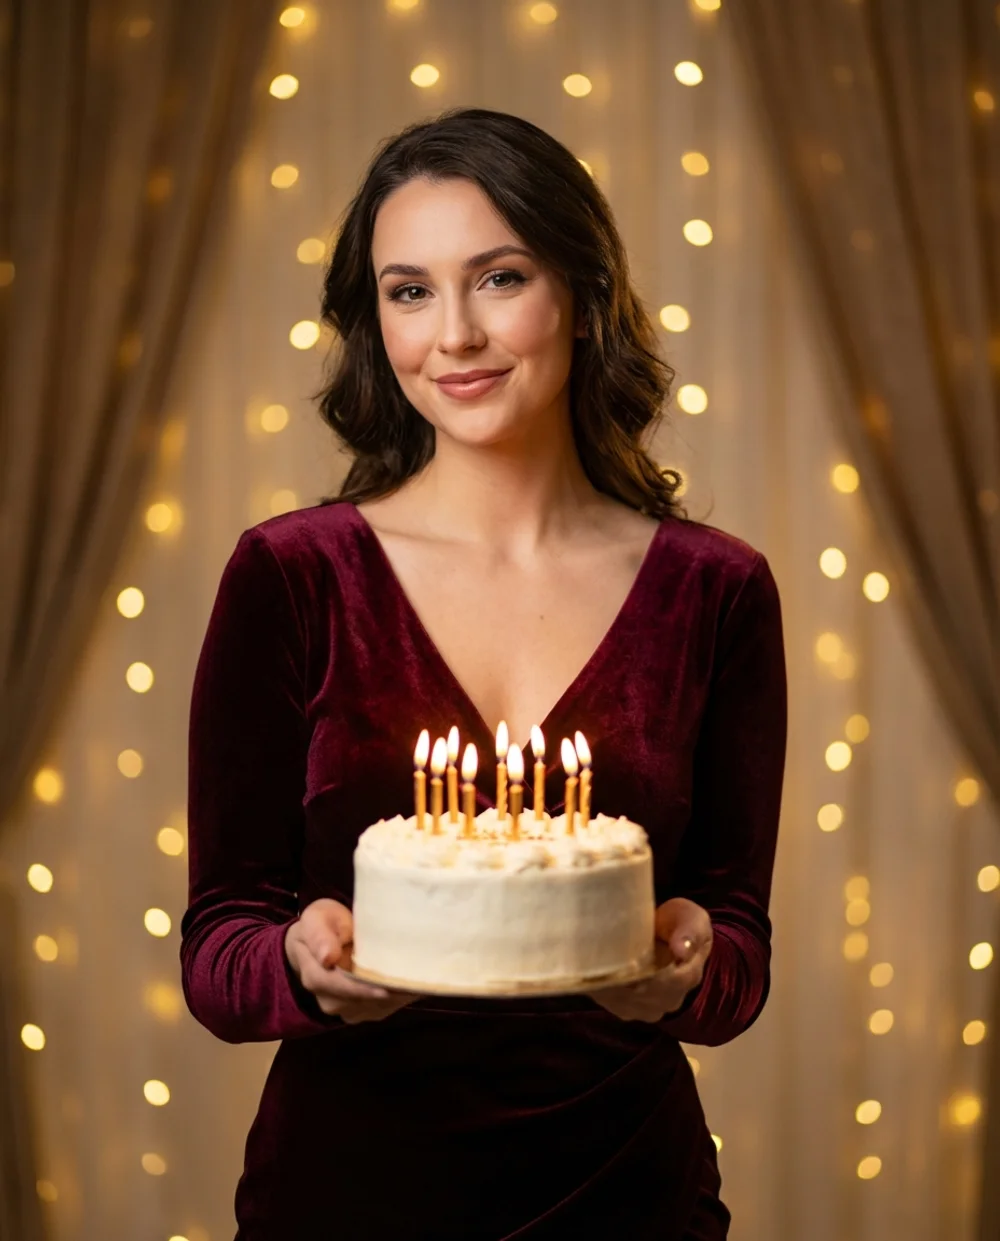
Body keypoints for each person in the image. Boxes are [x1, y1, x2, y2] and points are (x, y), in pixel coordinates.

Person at [180, 107, 787, 1241]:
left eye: (497, 277)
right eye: (408, 290)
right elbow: (219, 943)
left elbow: (739, 948)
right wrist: (297, 966)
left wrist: (687, 969)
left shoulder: (719, 590)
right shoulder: (290, 575)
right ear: (376, 321)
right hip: (344, 1193)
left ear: (583, 292)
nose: (452, 333)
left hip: (627, 1194)